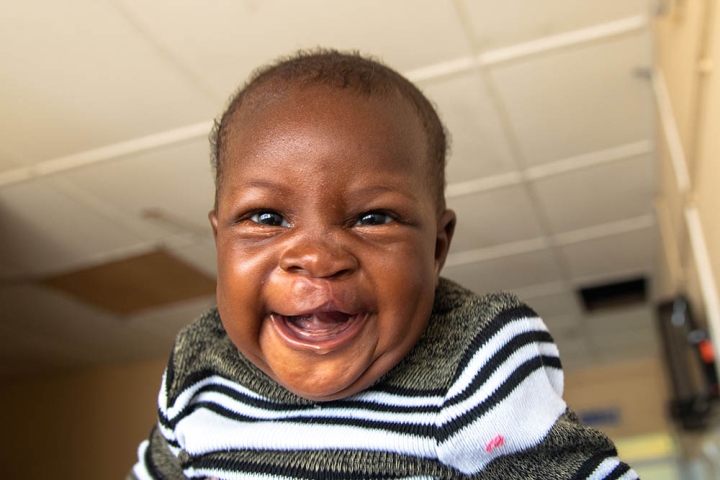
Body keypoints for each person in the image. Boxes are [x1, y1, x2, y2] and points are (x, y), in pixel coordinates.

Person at [129, 49, 637, 480]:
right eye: (266, 217)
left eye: (373, 218)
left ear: (437, 248)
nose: (317, 259)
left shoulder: (471, 364)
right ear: (220, 242)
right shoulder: (197, 367)